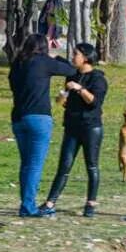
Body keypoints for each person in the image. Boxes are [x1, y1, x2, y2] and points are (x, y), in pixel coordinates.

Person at [6, 34, 78, 218]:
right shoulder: (44, 62)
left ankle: (26, 203)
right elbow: (70, 70)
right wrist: (56, 57)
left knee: (26, 164)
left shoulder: (17, 64)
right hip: (39, 117)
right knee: (35, 165)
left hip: (18, 118)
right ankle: (28, 206)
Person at [41, 42, 109, 218]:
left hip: (91, 128)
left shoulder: (98, 79)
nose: (73, 57)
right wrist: (61, 97)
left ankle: (90, 204)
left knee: (91, 166)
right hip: (72, 126)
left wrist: (80, 89)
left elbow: (94, 102)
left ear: (85, 58)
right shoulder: (72, 76)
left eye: (76, 54)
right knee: (64, 165)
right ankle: (50, 202)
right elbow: (63, 101)